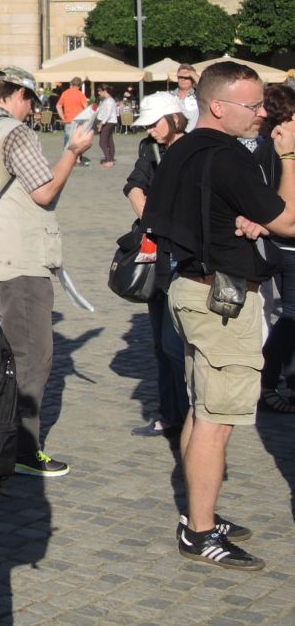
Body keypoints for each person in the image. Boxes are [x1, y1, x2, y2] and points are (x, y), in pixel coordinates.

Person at [147, 61, 295, 572]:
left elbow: (172, 213)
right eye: (251, 106)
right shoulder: (229, 157)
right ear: (218, 105)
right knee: (217, 419)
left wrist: (234, 220)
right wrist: (290, 156)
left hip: (190, 288)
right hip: (221, 299)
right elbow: (290, 220)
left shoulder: (184, 148)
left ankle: (198, 512)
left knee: (200, 407)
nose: (260, 115)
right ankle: (200, 530)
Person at [0, 66, 91, 478]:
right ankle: (20, 447)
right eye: (30, 101)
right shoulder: (14, 133)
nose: (32, 110)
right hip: (20, 255)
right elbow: (45, 191)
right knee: (30, 355)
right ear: (16, 94)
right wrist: (73, 151)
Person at [123, 91, 190, 437]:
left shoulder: (194, 149)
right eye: (146, 123)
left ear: (174, 118)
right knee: (162, 345)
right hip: (158, 254)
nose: (149, 129)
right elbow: (134, 185)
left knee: (177, 343)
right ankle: (171, 414)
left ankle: (191, 414)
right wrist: (151, 218)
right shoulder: (149, 149)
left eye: (154, 122)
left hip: (187, 255)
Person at [251, 82, 295, 415]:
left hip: (274, 243)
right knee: (291, 315)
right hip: (288, 243)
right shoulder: (284, 146)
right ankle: (267, 382)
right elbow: (284, 203)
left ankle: (285, 380)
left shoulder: (263, 146)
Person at [56, 77, 91, 161]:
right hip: (78, 121)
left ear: (71, 84)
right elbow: (86, 108)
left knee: (68, 140)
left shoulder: (65, 93)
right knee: (77, 140)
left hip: (68, 120)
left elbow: (58, 106)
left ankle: (66, 159)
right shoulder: (80, 94)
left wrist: (63, 117)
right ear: (80, 85)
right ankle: (77, 158)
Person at [96, 85, 120, 167]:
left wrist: (101, 124)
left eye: (100, 91)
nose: (99, 92)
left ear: (105, 90)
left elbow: (108, 114)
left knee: (102, 142)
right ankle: (110, 159)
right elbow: (99, 110)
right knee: (109, 141)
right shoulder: (104, 100)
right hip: (108, 122)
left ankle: (109, 160)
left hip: (108, 122)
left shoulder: (109, 101)